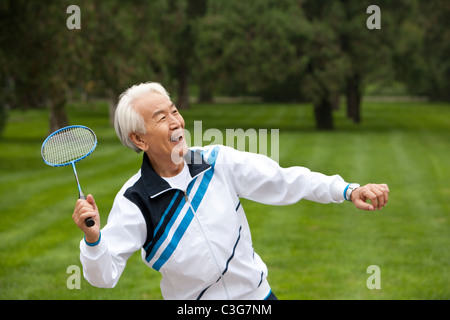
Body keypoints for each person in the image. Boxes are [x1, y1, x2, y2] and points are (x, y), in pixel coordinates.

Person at [73, 82, 389, 300]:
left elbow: (284, 180)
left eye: (174, 111)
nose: (176, 122)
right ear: (139, 140)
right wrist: (93, 239)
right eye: (161, 118)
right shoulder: (135, 200)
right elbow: (104, 276)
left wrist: (347, 190)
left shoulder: (216, 162)